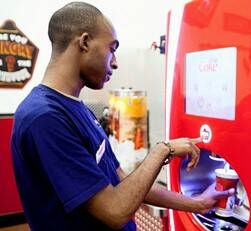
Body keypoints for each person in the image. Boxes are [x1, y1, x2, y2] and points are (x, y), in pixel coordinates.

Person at [11, 2, 233, 231]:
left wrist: (197, 203)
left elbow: (121, 180)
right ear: (85, 42)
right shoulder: (45, 119)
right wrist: (162, 150)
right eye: (112, 48)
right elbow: (114, 211)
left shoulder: (78, 108)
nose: (115, 62)